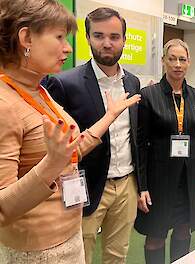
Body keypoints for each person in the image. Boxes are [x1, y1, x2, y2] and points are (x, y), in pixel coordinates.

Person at [0, 0, 139, 263]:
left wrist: (108, 117)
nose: (67, 48)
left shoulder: (38, 91)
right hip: (38, 250)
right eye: (60, 37)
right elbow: (3, 208)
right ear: (26, 37)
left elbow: (68, 151)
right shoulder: (5, 104)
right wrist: (51, 164)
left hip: (67, 234)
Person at [47, 7, 140, 264]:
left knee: (117, 255)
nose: (107, 43)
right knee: (80, 256)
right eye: (99, 36)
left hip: (126, 185)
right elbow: (56, 148)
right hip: (84, 185)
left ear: (124, 39)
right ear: (87, 37)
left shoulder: (133, 82)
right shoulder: (65, 83)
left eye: (114, 36)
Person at [134, 39, 195, 263]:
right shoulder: (148, 95)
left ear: (189, 62)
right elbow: (140, 144)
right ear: (163, 61)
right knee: (156, 236)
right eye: (172, 59)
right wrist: (142, 186)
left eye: (182, 59)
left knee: (183, 230)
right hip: (158, 180)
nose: (177, 64)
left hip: (189, 179)